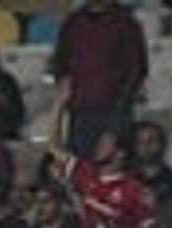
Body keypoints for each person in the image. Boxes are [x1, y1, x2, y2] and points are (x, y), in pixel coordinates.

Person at [50, 0, 147, 157]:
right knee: (82, 172)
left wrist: (115, 125)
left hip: (115, 109)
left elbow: (135, 71)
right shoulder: (72, 23)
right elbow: (61, 66)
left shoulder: (125, 23)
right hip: (79, 112)